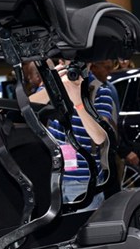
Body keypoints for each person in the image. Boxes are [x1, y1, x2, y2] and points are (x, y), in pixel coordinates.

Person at [30, 60, 115, 209]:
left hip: (84, 181)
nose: (72, 68)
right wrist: (53, 86)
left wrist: (79, 102)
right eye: (67, 62)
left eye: (79, 62)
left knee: (86, 224)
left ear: (89, 64)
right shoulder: (53, 85)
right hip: (54, 177)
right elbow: (27, 108)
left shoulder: (100, 90)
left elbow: (100, 137)